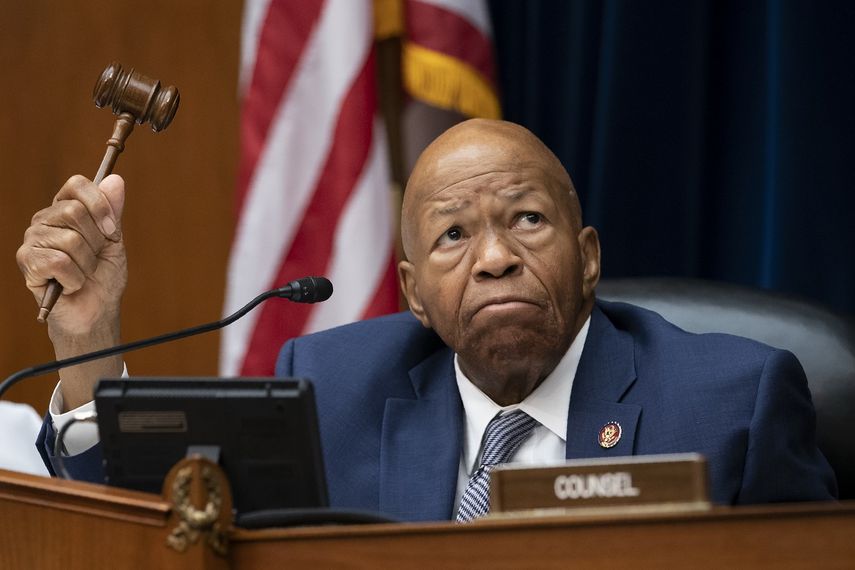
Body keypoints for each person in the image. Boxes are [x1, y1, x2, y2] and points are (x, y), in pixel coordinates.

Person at [18, 119, 837, 522]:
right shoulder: (331, 389)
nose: (494, 258)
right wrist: (87, 338)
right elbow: (160, 528)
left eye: (526, 220)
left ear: (588, 256)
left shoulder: (732, 402)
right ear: (412, 293)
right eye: (453, 235)